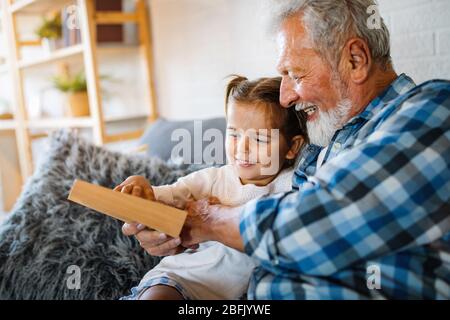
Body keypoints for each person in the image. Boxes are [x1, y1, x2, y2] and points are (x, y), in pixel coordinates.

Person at [124, 0, 450, 299]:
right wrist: (167, 225)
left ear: (355, 60)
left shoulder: (434, 111)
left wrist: (204, 222)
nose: (285, 97)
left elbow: (316, 224)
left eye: (295, 74)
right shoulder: (326, 146)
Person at [118, 76, 308, 300]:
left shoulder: (293, 185)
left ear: (293, 147)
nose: (242, 148)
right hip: (180, 281)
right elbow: (162, 196)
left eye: (259, 139)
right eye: (234, 134)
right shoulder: (212, 179)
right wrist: (140, 188)